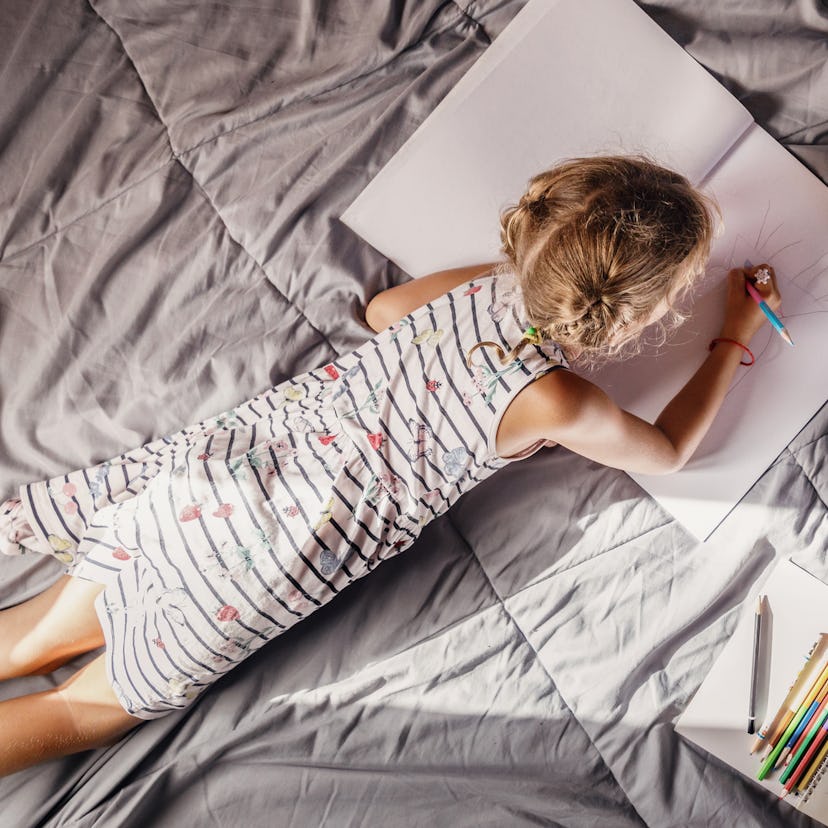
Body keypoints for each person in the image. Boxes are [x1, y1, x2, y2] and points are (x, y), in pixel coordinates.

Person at [0, 155, 780, 776]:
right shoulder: (561, 403)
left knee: (31, 641)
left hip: (215, 485)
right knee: (80, 711)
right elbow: (670, 452)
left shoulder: (485, 286)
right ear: (633, 318)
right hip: (259, 560)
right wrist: (730, 341)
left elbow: (382, 313)